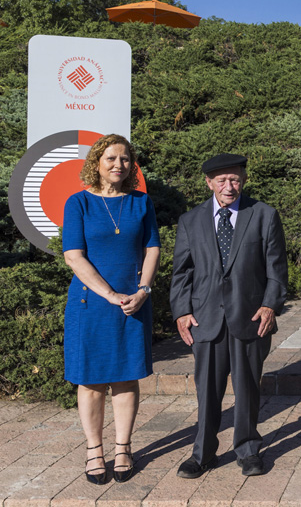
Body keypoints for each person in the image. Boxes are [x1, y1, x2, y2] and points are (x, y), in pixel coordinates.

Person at [170, 153, 288, 478]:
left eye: (234, 179)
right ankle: (203, 453)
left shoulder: (263, 215)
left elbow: (277, 269)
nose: (228, 186)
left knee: (247, 389)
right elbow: (182, 272)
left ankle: (248, 450)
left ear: (244, 180)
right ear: (209, 182)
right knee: (207, 392)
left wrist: (270, 305)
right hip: (205, 319)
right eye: (221, 180)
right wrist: (182, 311)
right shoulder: (190, 221)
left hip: (250, 317)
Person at [62, 134, 160, 484]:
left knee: (126, 377)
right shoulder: (78, 203)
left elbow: (152, 249)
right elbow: (73, 256)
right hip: (90, 304)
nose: (119, 164)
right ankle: (94, 450)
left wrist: (143, 290)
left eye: (125, 159)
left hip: (133, 303)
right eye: (111, 158)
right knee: (90, 380)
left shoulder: (141, 202)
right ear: (97, 163)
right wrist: (109, 294)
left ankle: (123, 448)